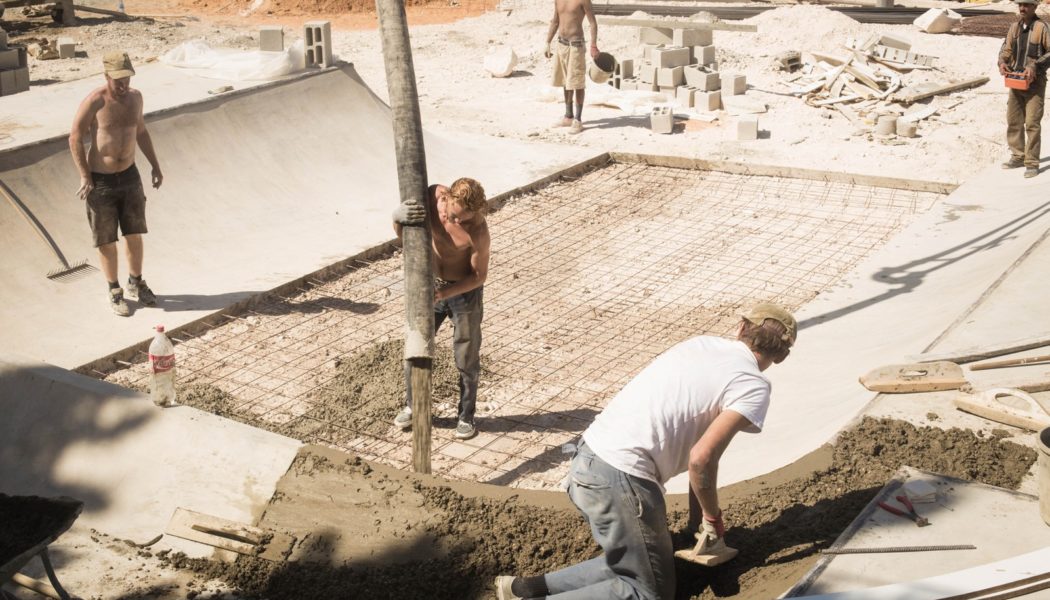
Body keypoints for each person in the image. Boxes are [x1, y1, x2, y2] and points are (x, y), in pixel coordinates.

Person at [495, 303, 798, 600]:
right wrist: (713, 520)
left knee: (641, 562)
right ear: (781, 356)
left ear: (741, 328)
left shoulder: (701, 344)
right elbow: (701, 459)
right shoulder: (753, 385)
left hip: (588, 458)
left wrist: (697, 526)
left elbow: (702, 458)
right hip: (622, 476)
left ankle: (521, 589)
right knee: (648, 590)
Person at [391, 178, 491, 440]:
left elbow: (479, 276)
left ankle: (466, 416)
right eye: (454, 216)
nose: (457, 222)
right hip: (432, 285)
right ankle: (414, 406)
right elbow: (406, 237)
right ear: (446, 198)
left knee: (466, 357)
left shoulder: (477, 229)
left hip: (464, 293)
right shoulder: (432, 198)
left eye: (463, 219)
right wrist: (396, 218)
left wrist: (445, 293)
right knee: (416, 347)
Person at [69, 51, 164, 316]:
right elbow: (74, 137)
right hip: (101, 181)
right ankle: (114, 290)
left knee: (135, 233)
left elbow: (141, 131)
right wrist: (85, 175)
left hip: (130, 176)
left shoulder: (136, 98)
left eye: (127, 79)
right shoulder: (94, 102)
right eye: (117, 80)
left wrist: (155, 165)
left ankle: (136, 282)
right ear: (106, 76)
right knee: (106, 240)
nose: (123, 86)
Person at [997, 0, 1050, 179]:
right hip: (1016, 80)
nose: (1022, 8)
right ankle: (1018, 156)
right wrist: (1002, 62)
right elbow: (1005, 49)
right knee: (1014, 120)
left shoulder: (1042, 28)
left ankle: (1032, 162)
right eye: (1020, 5)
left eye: (1027, 5)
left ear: (1035, 7)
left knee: (1032, 123)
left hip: (1035, 83)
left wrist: (1035, 66)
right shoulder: (1014, 27)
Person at [544, 0, 599, 135]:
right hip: (561, 44)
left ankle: (578, 120)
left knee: (577, 83)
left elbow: (593, 23)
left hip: (576, 45)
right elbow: (555, 21)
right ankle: (568, 116)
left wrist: (593, 45)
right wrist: (547, 41)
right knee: (565, 81)